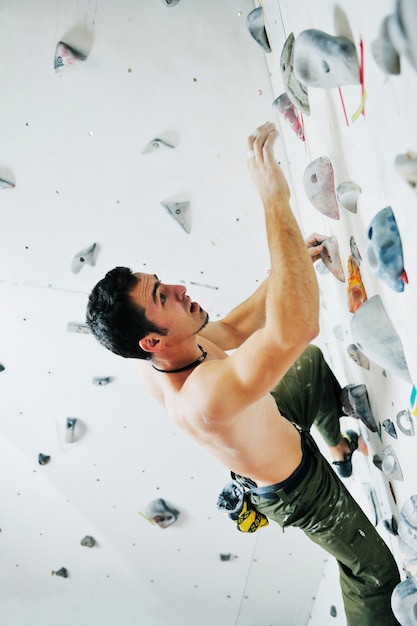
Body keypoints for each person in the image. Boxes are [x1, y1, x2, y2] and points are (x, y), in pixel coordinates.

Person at [86, 122, 400, 625]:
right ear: (151, 340)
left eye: (159, 281)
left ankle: (338, 447)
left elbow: (230, 329)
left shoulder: (162, 352)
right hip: (298, 487)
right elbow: (296, 326)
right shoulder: (201, 396)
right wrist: (274, 200)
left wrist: (291, 267)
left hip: (272, 420)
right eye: (162, 296)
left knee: (312, 368)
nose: (178, 286)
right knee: (375, 574)